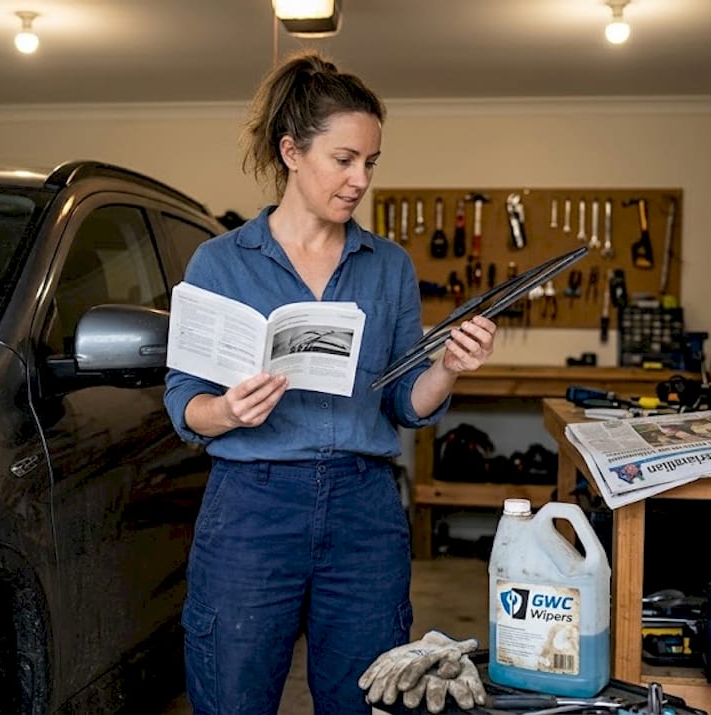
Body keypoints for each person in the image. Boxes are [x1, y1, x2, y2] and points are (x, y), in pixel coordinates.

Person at [163, 50, 498, 715]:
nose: (359, 180)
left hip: (364, 510)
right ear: (292, 151)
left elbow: (406, 402)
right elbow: (183, 403)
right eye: (343, 160)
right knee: (233, 696)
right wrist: (227, 409)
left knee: (367, 698)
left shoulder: (388, 266)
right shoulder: (219, 262)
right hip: (252, 509)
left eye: (370, 163)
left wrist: (449, 366)